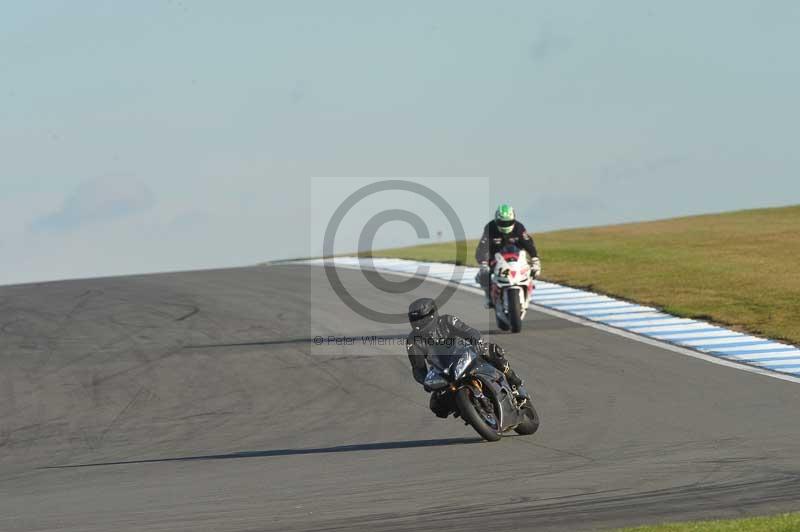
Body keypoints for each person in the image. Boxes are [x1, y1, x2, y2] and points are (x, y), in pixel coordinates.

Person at [405, 297, 524, 418]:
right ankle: (466, 410)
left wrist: (476, 342)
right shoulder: (412, 340)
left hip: (465, 355)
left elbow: (469, 331)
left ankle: (515, 383)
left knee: (490, 351)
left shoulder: (447, 320)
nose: (419, 323)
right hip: (443, 371)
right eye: (415, 320)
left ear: (432, 314)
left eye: (422, 319)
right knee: (436, 406)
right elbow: (418, 368)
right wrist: (426, 382)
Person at [475, 203, 541, 308]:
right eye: (502, 223)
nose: (505, 225)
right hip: (496, 259)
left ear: (514, 220)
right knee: (482, 275)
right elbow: (482, 247)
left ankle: (528, 290)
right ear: (496, 221)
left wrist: (535, 259)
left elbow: (529, 244)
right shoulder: (490, 228)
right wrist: (483, 263)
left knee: (533, 271)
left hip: (517, 258)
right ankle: (489, 297)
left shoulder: (519, 228)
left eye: (508, 222)